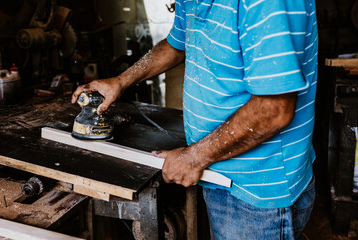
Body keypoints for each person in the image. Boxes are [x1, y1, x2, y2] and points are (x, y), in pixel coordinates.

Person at [72, 0, 318, 239]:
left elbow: (273, 109)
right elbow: (177, 45)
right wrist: (121, 80)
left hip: (256, 192)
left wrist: (194, 157)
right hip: (218, 168)